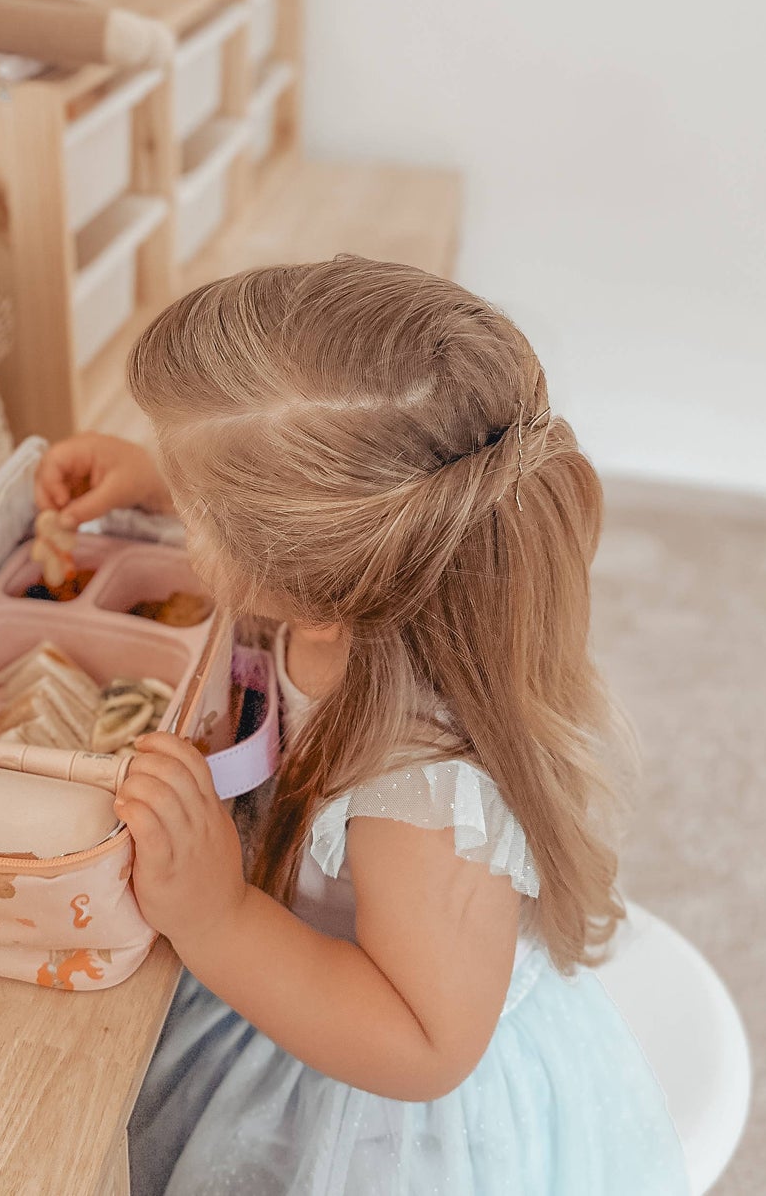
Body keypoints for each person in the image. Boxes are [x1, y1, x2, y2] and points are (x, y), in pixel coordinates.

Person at [35, 258, 687, 1196]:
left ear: (313, 582)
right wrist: (160, 484)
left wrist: (221, 919)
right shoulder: (362, 590)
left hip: (368, 1102)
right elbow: (287, 551)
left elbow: (424, 1046)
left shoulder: (422, 789)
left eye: (208, 518)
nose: (192, 527)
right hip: (306, 971)